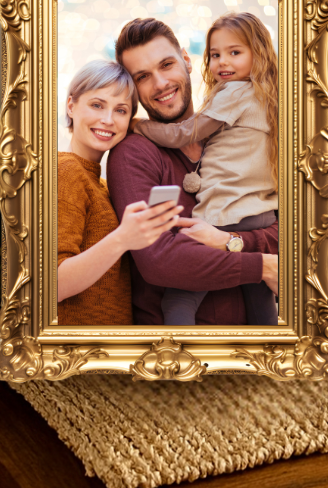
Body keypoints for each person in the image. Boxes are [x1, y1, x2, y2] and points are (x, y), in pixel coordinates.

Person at [106, 17, 279, 327]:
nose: (160, 84)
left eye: (167, 65)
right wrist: (262, 265)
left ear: (187, 60)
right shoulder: (133, 154)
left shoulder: (232, 134)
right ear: (133, 89)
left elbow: (288, 233)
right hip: (182, 350)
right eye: (143, 76)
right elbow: (160, 261)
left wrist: (230, 241)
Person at [57, 59, 182, 326]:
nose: (108, 119)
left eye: (121, 110)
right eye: (97, 105)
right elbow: (49, 285)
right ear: (71, 105)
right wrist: (122, 239)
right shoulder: (65, 171)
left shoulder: (100, 184)